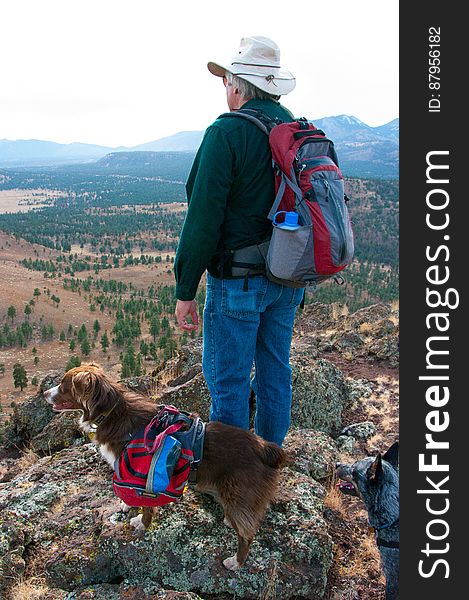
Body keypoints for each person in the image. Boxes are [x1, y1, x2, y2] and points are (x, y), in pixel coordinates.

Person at [174, 36, 304, 447]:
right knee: (274, 372)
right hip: (287, 278)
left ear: (238, 85)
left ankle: (236, 478)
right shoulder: (294, 129)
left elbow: (202, 218)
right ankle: (270, 463)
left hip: (238, 282)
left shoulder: (226, 132)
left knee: (229, 382)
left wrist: (185, 287)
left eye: (227, 80)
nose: (225, 88)